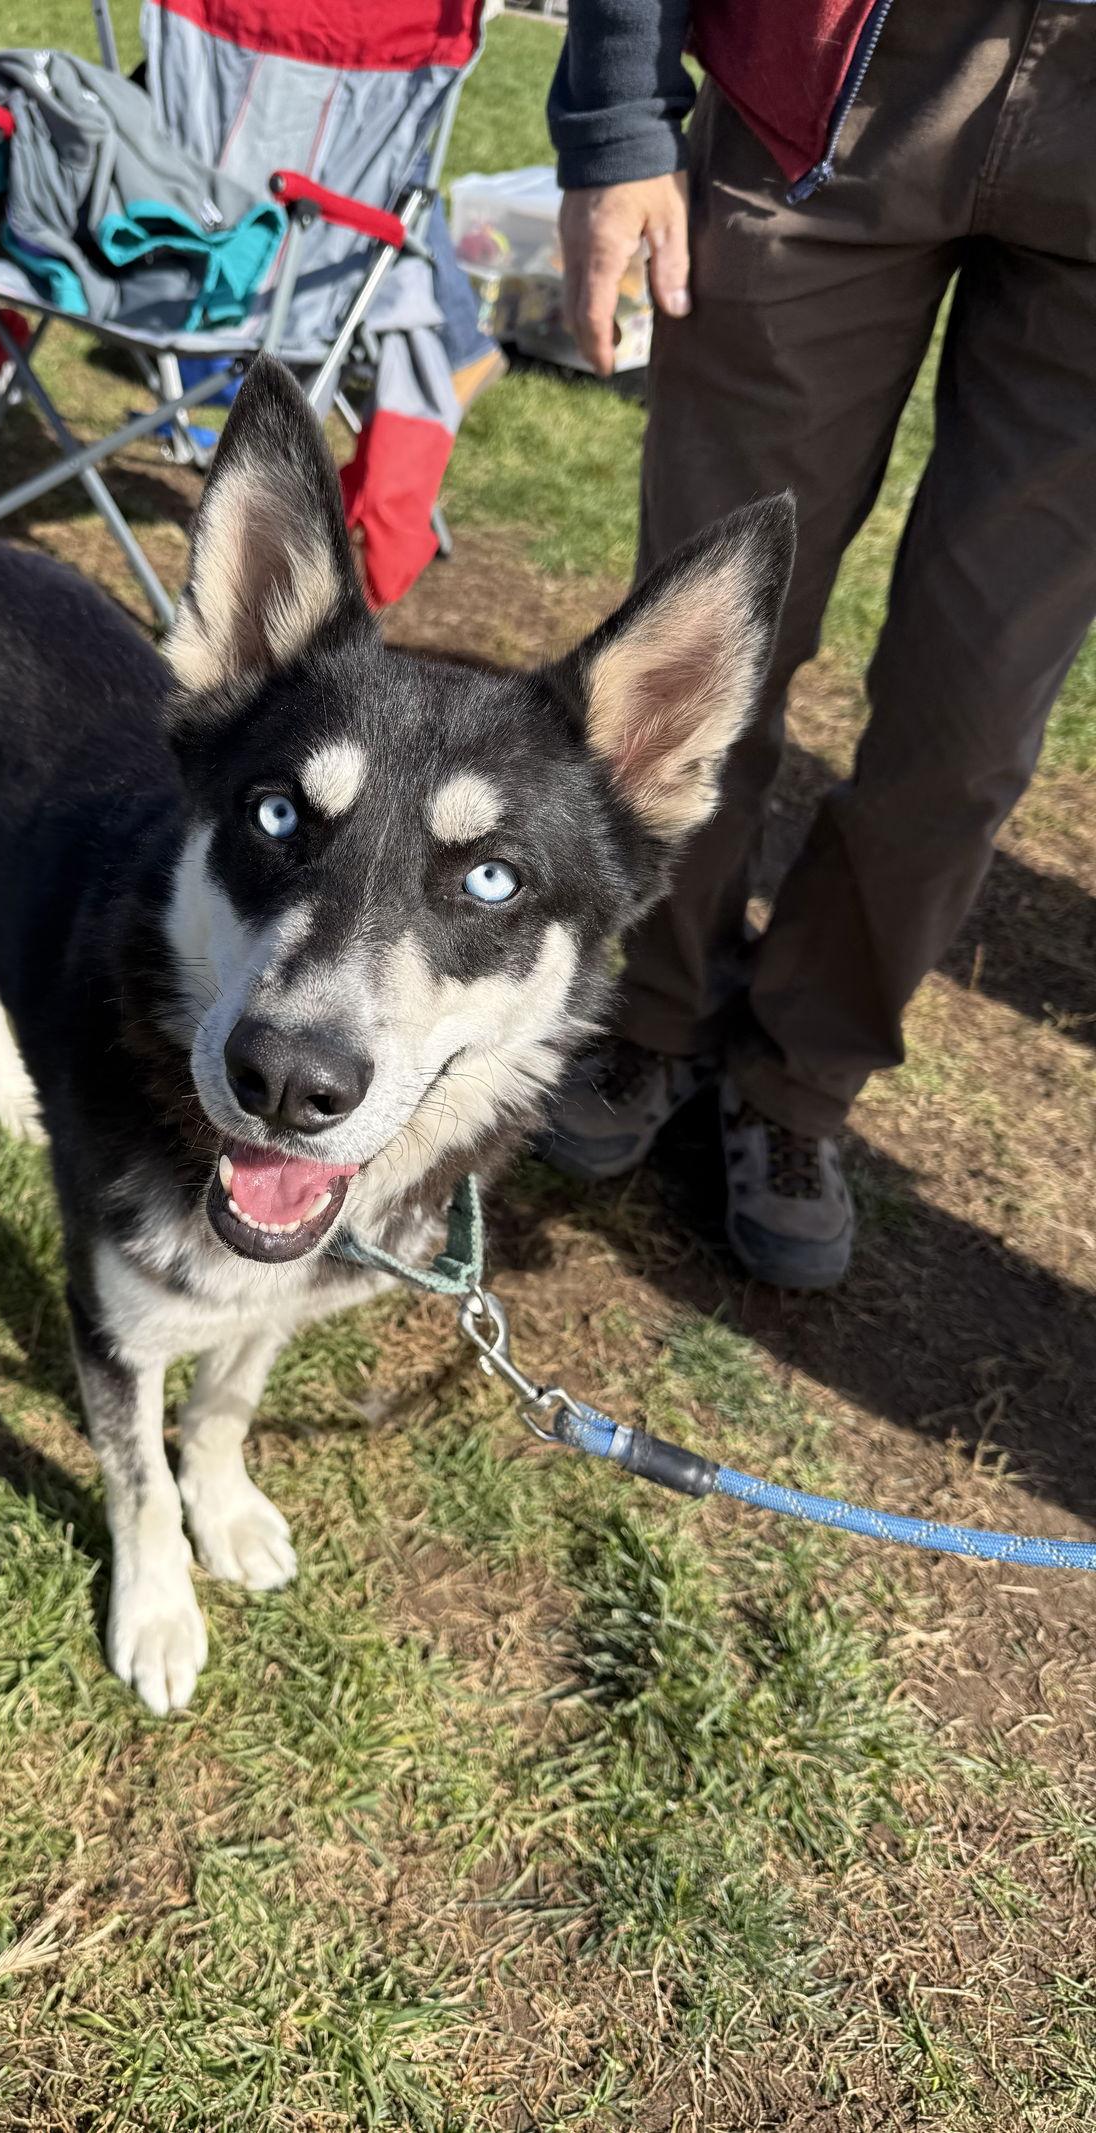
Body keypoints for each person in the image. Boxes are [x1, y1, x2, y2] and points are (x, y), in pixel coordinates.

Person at [538, 0, 1096, 1290]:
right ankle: (654, 1002)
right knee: (699, 644)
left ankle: (801, 1079)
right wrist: (620, 114)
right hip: (835, 91)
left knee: (973, 722)